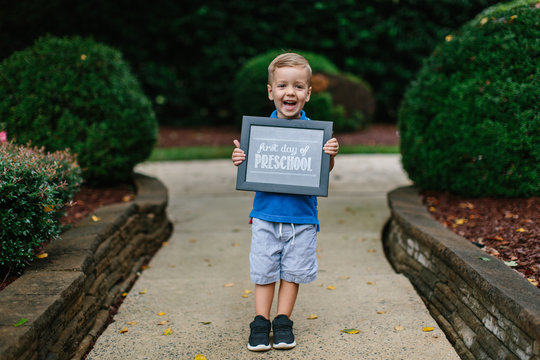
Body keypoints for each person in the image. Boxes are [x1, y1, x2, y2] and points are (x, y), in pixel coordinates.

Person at [232, 52, 339, 351]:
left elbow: (322, 173)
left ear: (307, 93)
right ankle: (260, 321)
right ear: (270, 92)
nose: (289, 92)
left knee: (292, 273)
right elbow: (249, 166)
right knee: (265, 272)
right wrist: (240, 158)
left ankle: (282, 321)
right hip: (266, 215)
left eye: (297, 86)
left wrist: (330, 155)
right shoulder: (259, 132)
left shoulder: (316, 134)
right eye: (281, 86)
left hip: (302, 218)